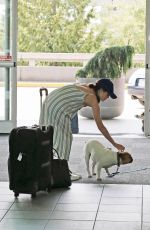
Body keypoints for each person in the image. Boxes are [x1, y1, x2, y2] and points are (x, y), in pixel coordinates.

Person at [39, 78, 125, 180]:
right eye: (107, 94)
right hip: (58, 107)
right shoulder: (93, 98)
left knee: (49, 135)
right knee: (65, 139)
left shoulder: (87, 87)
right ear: (101, 90)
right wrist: (115, 144)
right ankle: (62, 172)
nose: (107, 98)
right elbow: (100, 126)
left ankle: (49, 169)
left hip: (50, 100)